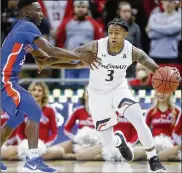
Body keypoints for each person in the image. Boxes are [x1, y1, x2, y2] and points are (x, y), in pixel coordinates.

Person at [49, 17, 181, 172]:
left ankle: (153, 159)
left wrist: (170, 76)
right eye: (110, 32)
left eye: (117, 33)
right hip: (98, 95)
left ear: (125, 34)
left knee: (138, 119)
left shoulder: (132, 51)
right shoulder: (96, 46)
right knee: (107, 144)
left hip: (119, 89)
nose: (112, 35)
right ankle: (119, 140)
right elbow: (72, 55)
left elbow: (157, 70)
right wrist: (49, 61)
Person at [0, 0, 99, 172]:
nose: (41, 14)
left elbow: (47, 60)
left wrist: (76, 64)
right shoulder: (26, 26)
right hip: (5, 79)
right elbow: (52, 50)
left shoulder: (23, 32)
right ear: (26, 12)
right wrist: (82, 56)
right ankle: (32, 160)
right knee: (35, 111)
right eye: (37, 10)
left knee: (16, 117)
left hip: (7, 79)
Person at [56, 0, 104, 80]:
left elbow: (100, 43)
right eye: (78, 7)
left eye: (83, 7)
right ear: (74, 8)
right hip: (69, 64)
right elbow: (59, 41)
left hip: (87, 65)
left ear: (87, 8)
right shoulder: (66, 23)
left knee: (84, 88)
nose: (80, 9)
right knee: (69, 88)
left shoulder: (94, 25)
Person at [133, 92, 181, 160]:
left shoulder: (177, 111)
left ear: (169, 94)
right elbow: (144, 131)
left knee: (160, 156)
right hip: (154, 143)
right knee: (136, 152)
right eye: (159, 91)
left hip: (171, 145)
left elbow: (178, 132)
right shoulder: (150, 111)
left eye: (164, 92)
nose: (161, 94)